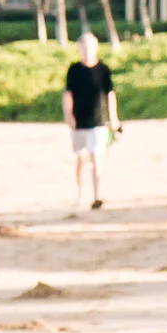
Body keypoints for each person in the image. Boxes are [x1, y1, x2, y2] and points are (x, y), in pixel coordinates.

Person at [62, 32, 121, 211]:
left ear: (96, 48)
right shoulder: (74, 70)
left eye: (90, 47)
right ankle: (80, 193)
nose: (87, 50)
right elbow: (68, 94)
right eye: (84, 47)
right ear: (79, 49)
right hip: (79, 121)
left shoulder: (103, 70)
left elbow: (109, 94)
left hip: (99, 121)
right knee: (81, 159)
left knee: (97, 158)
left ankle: (97, 196)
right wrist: (68, 115)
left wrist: (114, 118)